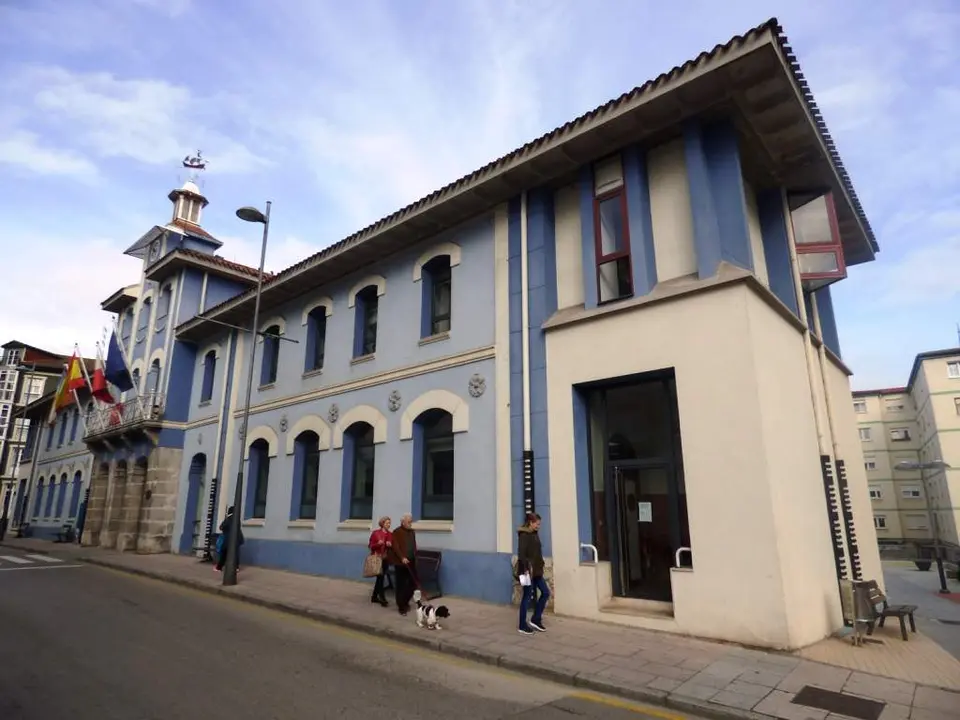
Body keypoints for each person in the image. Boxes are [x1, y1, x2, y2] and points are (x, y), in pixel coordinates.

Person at [517, 512, 549, 635]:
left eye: (539, 524)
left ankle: (535, 619)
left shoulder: (534, 534)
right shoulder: (524, 535)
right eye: (537, 523)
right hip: (527, 572)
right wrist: (525, 571)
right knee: (526, 597)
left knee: (545, 593)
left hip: (537, 571)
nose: (539, 526)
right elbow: (521, 555)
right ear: (531, 523)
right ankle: (522, 625)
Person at [388, 513, 417, 615]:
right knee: (401, 585)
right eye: (409, 522)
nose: (410, 523)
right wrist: (402, 557)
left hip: (411, 561)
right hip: (401, 562)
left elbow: (414, 545)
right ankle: (401, 606)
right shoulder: (397, 532)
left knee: (413, 583)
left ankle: (405, 601)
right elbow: (395, 547)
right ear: (403, 522)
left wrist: (414, 555)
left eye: (411, 521)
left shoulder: (412, 532)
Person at [367, 516, 393, 606]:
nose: (389, 525)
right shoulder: (376, 533)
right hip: (377, 558)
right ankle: (382, 598)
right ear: (382, 523)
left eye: (389, 523)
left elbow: (392, 547)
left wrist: (390, 545)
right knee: (381, 578)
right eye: (387, 523)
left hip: (385, 559)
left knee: (380, 578)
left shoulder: (390, 534)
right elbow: (370, 546)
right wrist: (378, 544)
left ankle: (374, 597)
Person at [215, 506, 244, 572]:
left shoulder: (228, 519)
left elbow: (221, 527)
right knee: (235, 553)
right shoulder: (237, 519)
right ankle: (236, 567)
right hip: (237, 539)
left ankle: (219, 567)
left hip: (229, 539)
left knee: (224, 553)